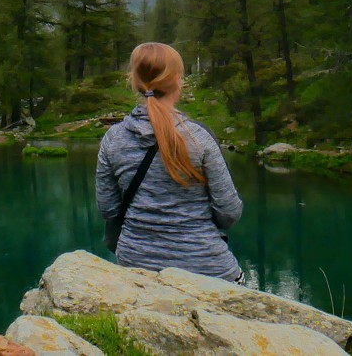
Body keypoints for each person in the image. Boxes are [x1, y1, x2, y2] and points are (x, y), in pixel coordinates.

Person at [96, 42, 243, 282]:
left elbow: (108, 209)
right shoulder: (199, 137)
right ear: (177, 81)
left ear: (134, 81)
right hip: (207, 270)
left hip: (137, 267)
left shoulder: (114, 138)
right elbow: (229, 213)